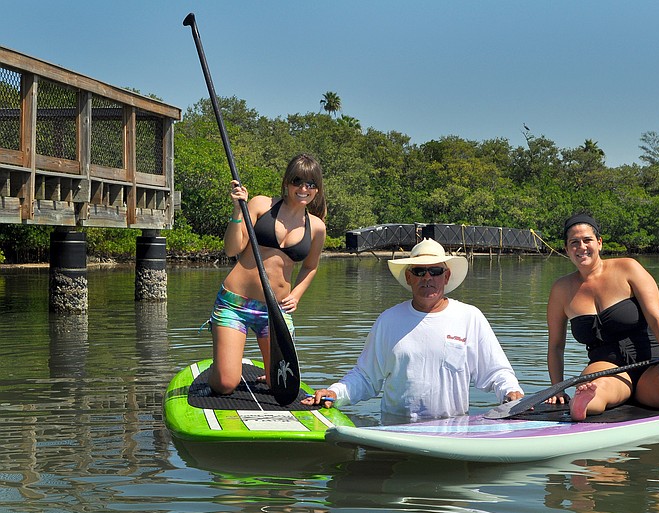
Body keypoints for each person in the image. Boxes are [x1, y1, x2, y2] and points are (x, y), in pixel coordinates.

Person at [303, 238, 524, 422]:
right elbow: (365, 377)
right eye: (419, 271)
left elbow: (496, 372)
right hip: (395, 431)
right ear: (409, 277)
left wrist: (511, 392)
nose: (427, 278)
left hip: (452, 430)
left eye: (435, 271)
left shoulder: (470, 317)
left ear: (446, 276)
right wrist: (335, 393)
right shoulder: (388, 320)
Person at [545, 213, 659, 431]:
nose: (582, 247)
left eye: (587, 240)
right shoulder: (561, 289)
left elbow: (657, 319)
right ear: (566, 248)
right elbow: (555, 345)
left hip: (651, 365)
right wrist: (557, 388)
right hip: (606, 366)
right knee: (594, 395)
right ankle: (583, 402)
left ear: (599, 243)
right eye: (574, 242)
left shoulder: (628, 268)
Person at [206, 153, 327, 395]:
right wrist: (237, 211)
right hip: (234, 304)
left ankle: (263, 372)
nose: (303, 188)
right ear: (286, 182)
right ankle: (222, 365)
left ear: (317, 189)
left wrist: (298, 294)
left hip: (276, 311)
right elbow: (232, 249)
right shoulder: (262, 205)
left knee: (280, 386)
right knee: (225, 385)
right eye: (297, 181)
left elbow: (310, 266)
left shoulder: (316, 227)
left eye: (310, 184)